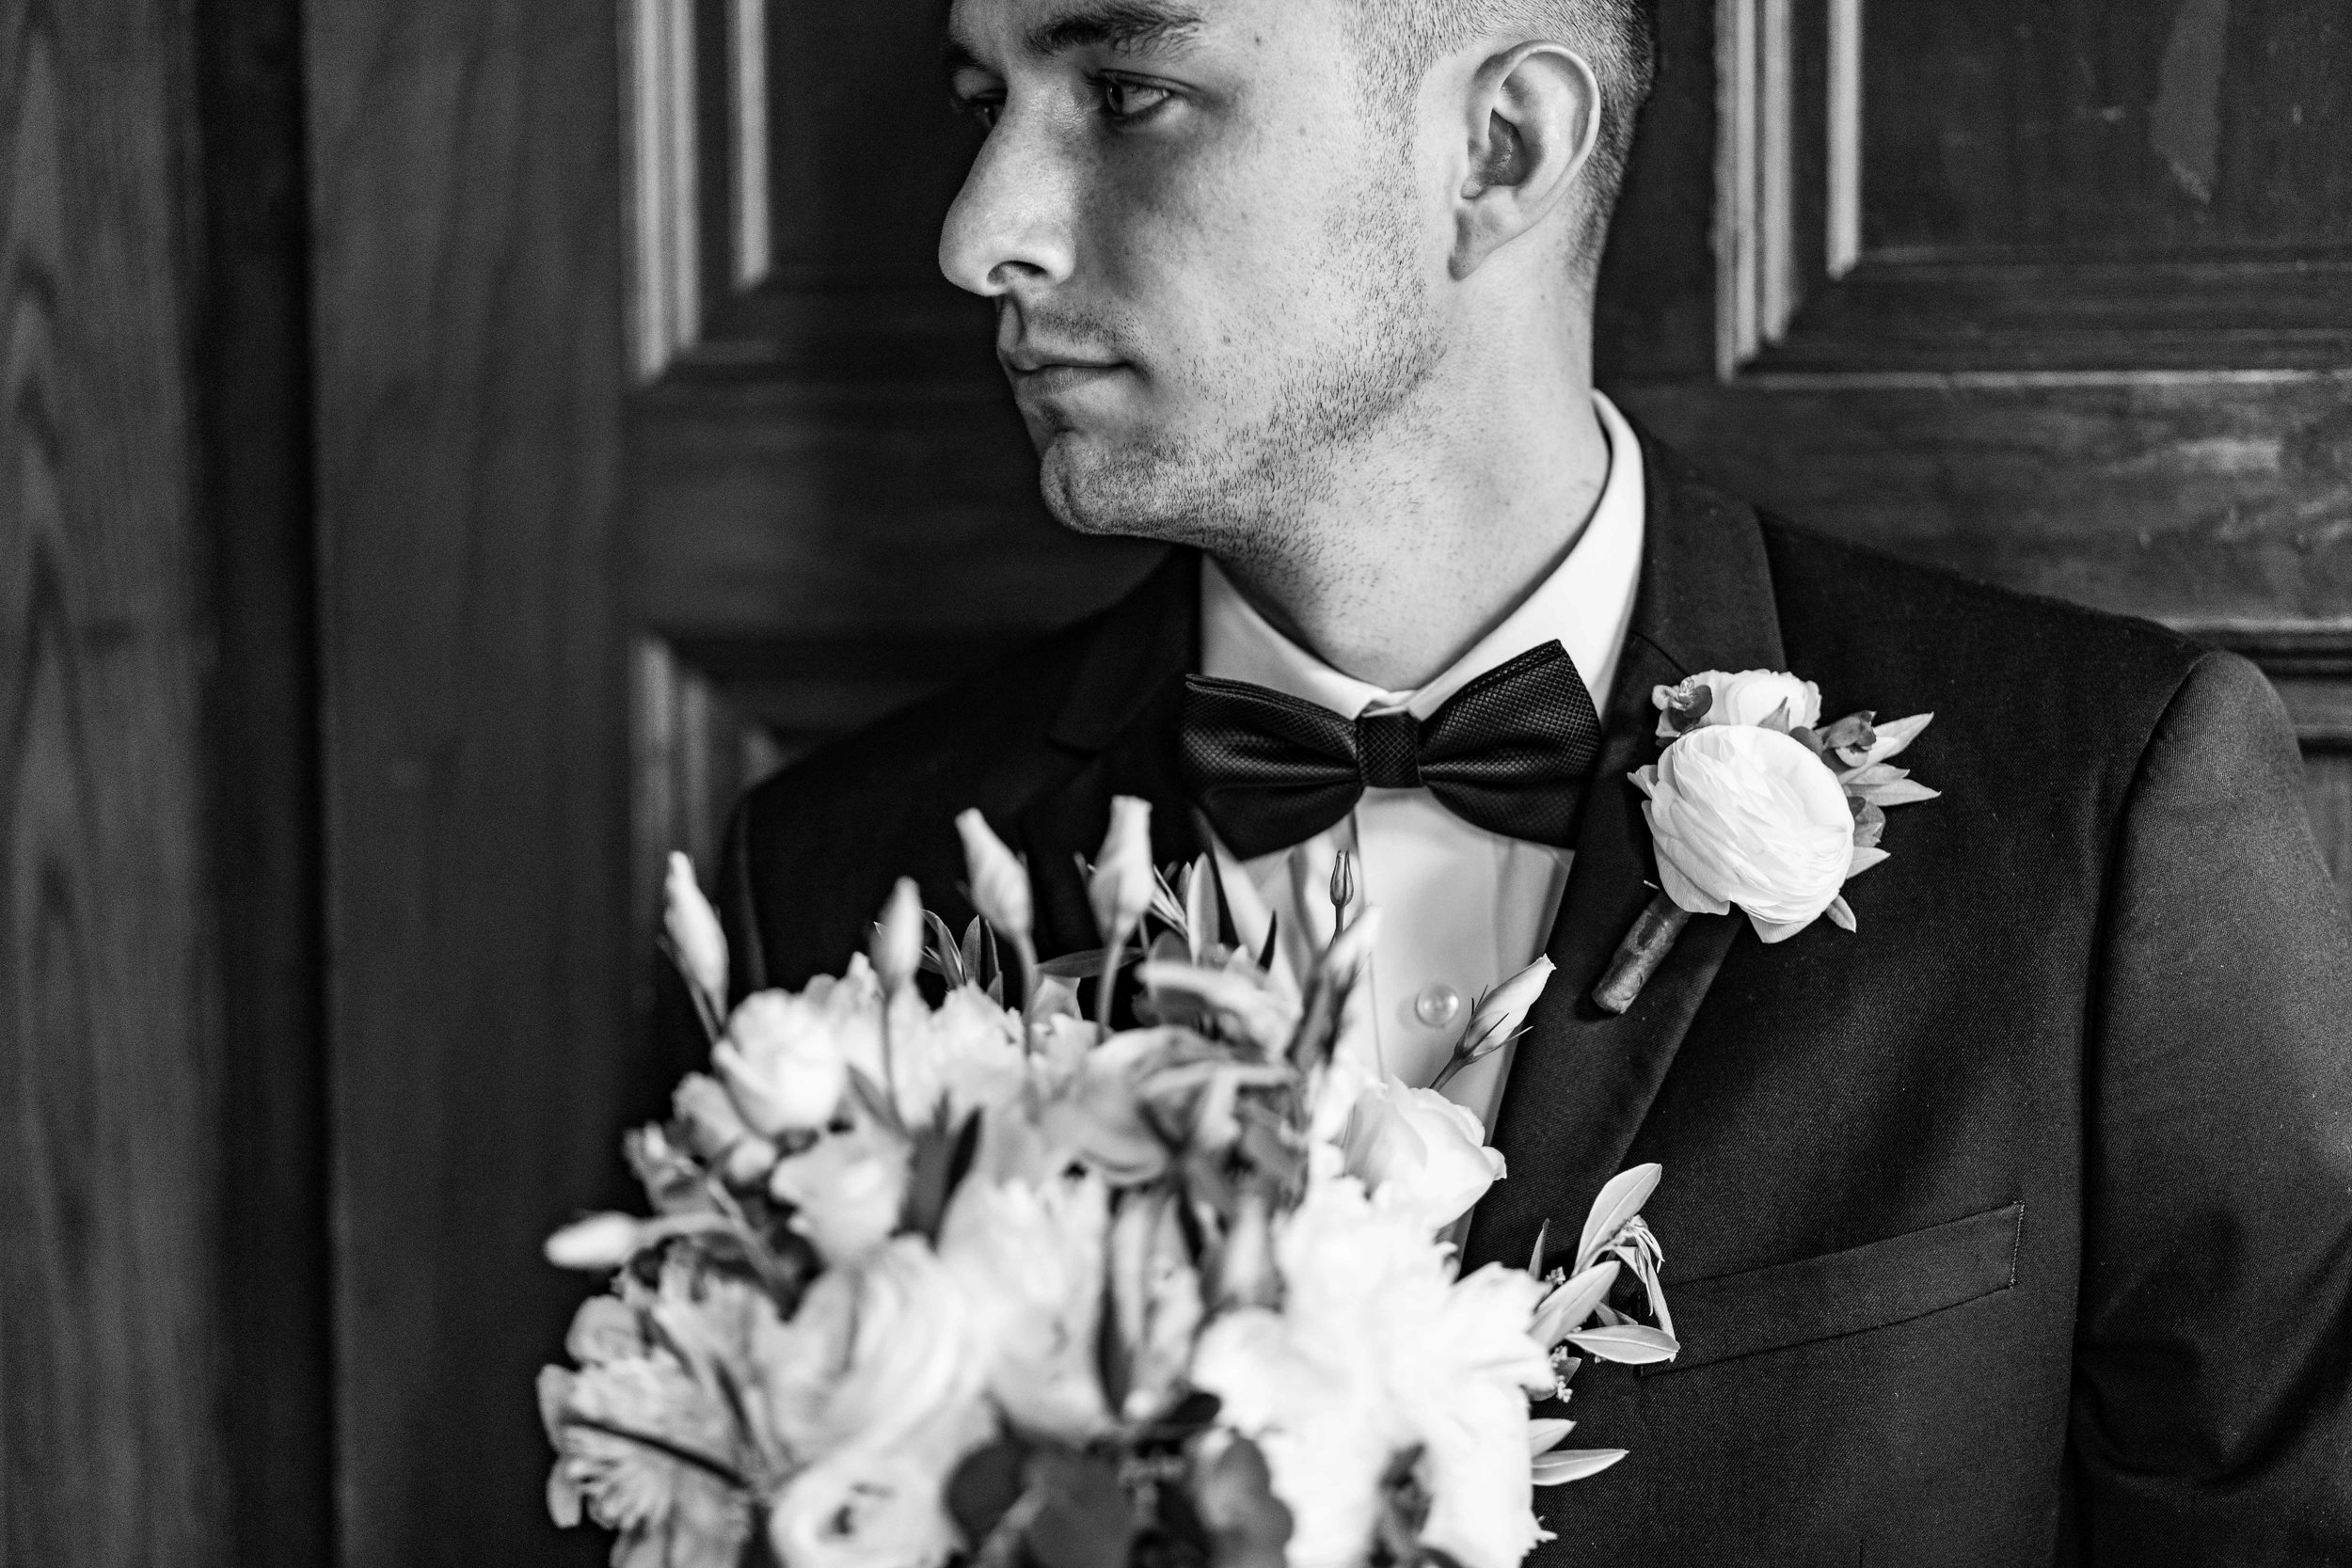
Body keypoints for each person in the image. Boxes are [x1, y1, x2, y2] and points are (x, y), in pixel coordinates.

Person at [710, 1, 2352, 1560]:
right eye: (986, 104)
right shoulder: (848, 885)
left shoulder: (2098, 806)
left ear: (1499, 147)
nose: (978, 229)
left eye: (1133, 93)